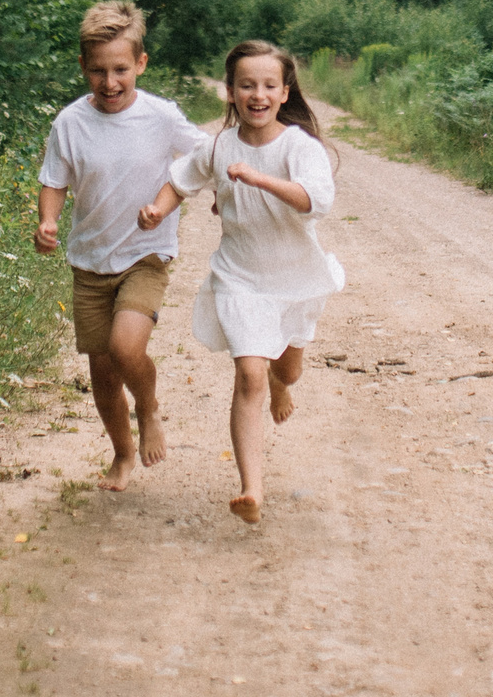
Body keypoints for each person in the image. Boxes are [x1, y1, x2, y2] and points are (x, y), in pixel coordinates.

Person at [137, 39, 343, 525]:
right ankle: (251, 487)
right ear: (229, 92)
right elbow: (180, 181)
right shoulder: (217, 147)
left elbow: (318, 201)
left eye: (269, 85)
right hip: (240, 276)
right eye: (246, 85)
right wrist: (157, 210)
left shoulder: (299, 146)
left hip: (295, 278)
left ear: (285, 92)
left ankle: (281, 382)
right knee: (248, 372)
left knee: (286, 370)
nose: (258, 94)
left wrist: (260, 179)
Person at [34, 0, 203, 491]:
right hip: (89, 262)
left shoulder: (161, 116)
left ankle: (149, 409)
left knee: (126, 348)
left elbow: (202, 158)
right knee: (104, 374)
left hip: (144, 255)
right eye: (98, 71)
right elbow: (54, 180)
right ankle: (122, 454)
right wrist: (47, 222)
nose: (110, 83)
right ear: (83, 68)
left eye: (121, 70)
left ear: (141, 64)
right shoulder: (70, 122)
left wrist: (197, 199)